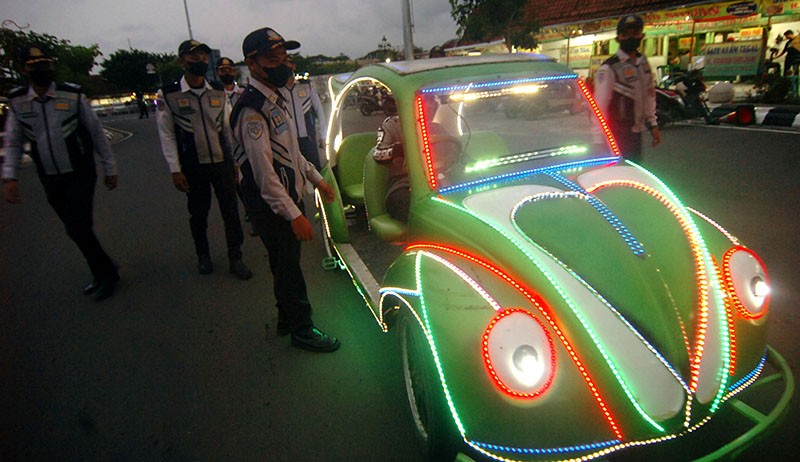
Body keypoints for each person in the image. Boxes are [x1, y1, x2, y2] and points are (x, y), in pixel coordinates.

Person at [230, 27, 340, 353]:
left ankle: (285, 318)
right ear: (252, 63)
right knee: (290, 269)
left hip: (286, 198)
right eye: (272, 57)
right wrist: (294, 214)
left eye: (283, 55)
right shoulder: (252, 108)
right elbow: (264, 175)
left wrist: (316, 178)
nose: (282, 62)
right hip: (273, 206)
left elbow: (291, 153)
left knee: (282, 264)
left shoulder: (275, 99)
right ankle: (303, 329)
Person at [3, 43, 120, 301]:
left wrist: (109, 168)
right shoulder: (19, 101)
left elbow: (96, 133)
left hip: (79, 172)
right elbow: (12, 141)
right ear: (23, 69)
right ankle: (104, 270)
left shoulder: (72, 95)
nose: (43, 70)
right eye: (36, 66)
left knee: (77, 226)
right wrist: (9, 176)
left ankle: (107, 275)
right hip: (49, 176)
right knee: (74, 227)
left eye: (46, 64)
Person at [155, 39, 252, 279]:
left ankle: (235, 257)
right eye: (193, 56)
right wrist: (174, 169)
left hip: (222, 163)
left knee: (231, 211)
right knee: (198, 213)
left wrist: (236, 163)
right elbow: (166, 134)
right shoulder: (168, 94)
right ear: (181, 61)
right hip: (192, 166)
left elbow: (229, 131)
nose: (200, 60)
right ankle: (203, 255)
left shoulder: (218, 91)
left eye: (203, 56)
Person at [594, 15, 662, 163]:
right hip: (616, 134)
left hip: (636, 132)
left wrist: (653, 124)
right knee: (616, 176)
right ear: (618, 38)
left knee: (634, 172)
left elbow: (649, 95)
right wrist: (599, 140)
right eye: (626, 34)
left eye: (635, 33)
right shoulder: (609, 68)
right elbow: (599, 107)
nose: (631, 38)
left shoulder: (643, 64)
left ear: (642, 36)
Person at [281, 57, 327, 170]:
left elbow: (319, 111)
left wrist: (323, 135)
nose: (287, 66)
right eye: (283, 63)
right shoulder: (278, 89)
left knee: (315, 170)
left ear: (294, 66)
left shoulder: (306, 86)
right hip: (289, 141)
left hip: (308, 138)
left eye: (289, 62)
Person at [371, 95, 409, 222]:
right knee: (411, 205)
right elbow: (378, 153)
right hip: (403, 183)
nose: (431, 105)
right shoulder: (391, 125)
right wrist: (397, 150)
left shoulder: (436, 126)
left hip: (438, 181)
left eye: (432, 101)